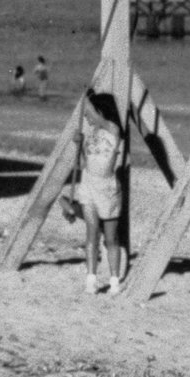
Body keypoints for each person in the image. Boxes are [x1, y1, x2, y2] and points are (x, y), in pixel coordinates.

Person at [73, 90, 128, 294]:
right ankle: (91, 280)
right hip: (88, 185)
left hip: (107, 189)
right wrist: (79, 146)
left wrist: (88, 98)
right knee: (92, 233)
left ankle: (114, 281)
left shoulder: (113, 129)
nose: (85, 116)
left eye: (88, 112)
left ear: (100, 111)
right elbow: (81, 165)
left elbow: (106, 120)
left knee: (111, 238)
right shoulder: (91, 133)